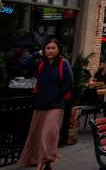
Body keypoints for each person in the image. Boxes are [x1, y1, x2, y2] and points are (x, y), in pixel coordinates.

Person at [18, 38, 73, 170]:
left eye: (53, 48)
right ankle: (47, 163)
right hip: (40, 105)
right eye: (48, 48)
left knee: (47, 133)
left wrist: (55, 96)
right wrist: (37, 54)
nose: (50, 51)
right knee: (36, 134)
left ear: (58, 49)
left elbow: (69, 83)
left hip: (55, 105)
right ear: (44, 50)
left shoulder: (63, 63)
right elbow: (23, 65)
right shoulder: (41, 63)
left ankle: (40, 164)